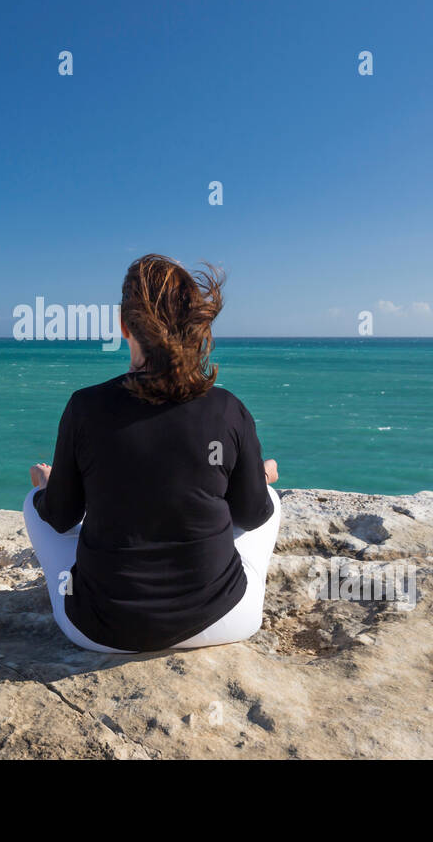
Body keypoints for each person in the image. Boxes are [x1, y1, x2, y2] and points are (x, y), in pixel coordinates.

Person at [23, 254, 281, 653]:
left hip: (101, 631)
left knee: (33, 504)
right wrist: (257, 479)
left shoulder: (86, 407)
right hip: (223, 620)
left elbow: (61, 518)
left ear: (125, 324)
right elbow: (252, 515)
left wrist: (48, 485)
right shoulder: (227, 408)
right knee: (272, 502)